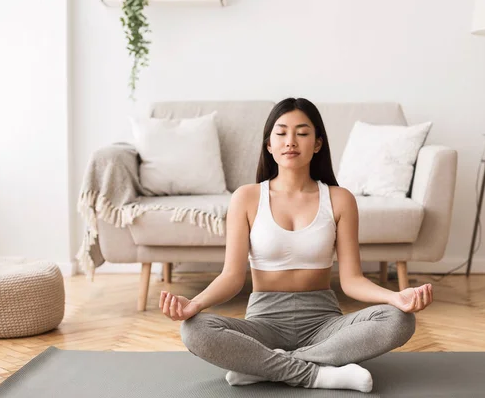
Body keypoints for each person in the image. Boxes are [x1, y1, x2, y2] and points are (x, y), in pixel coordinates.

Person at [159, 97, 433, 393]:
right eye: (281, 133)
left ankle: (262, 367)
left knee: (399, 320)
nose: (291, 141)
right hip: (263, 325)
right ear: (268, 144)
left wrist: (395, 298)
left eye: (302, 133)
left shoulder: (340, 199)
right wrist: (195, 304)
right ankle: (320, 375)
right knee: (194, 330)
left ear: (317, 144)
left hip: (324, 326)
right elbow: (232, 278)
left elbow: (353, 280)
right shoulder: (247, 197)